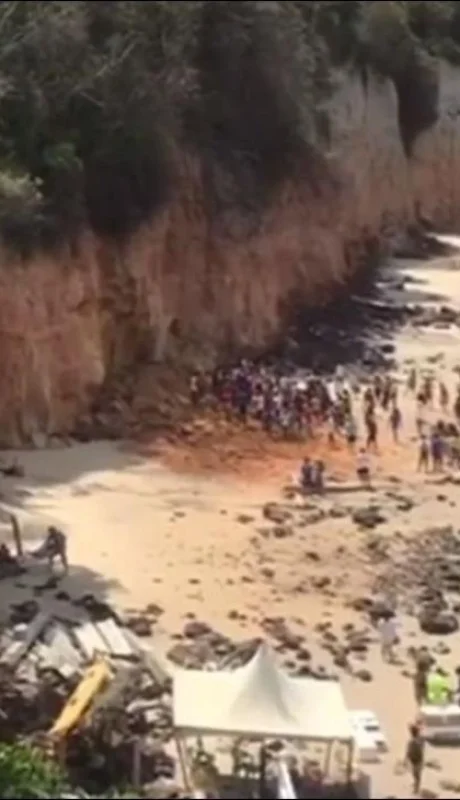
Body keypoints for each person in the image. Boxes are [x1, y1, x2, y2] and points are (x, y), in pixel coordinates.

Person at [404, 723, 424, 795]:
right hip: (417, 760)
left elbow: (408, 751)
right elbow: (409, 751)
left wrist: (406, 759)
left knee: (416, 775)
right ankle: (416, 785)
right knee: (416, 774)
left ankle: (416, 789)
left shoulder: (413, 741)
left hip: (416, 760)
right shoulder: (418, 740)